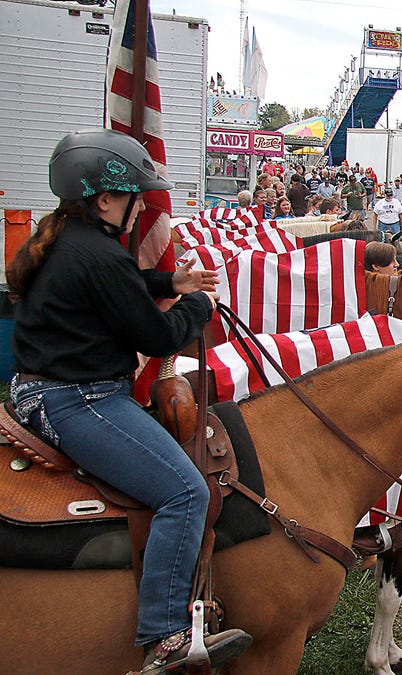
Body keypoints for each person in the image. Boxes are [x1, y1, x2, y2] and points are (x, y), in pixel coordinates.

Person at [7, 129, 249, 672]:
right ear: (105, 199)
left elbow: (121, 284)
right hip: (79, 399)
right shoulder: (97, 254)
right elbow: (159, 339)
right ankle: (163, 637)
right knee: (185, 491)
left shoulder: (65, 239)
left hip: (42, 390)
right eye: (135, 195)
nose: (142, 205)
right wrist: (202, 304)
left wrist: (171, 278)